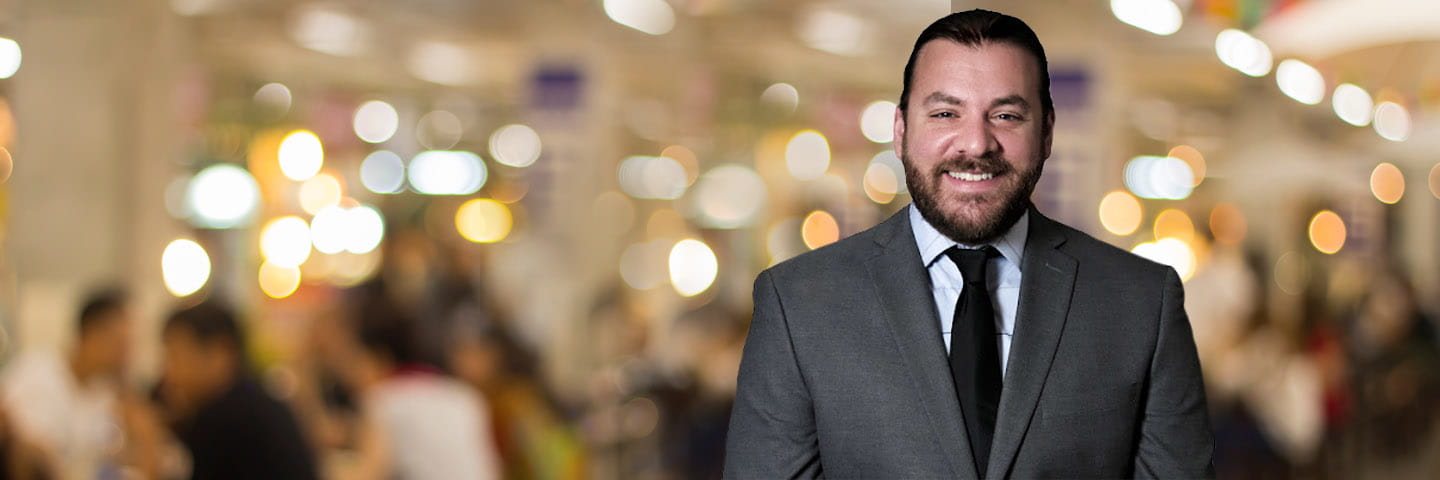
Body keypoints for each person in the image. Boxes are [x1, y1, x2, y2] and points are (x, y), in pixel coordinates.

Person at [725, 9, 1214, 479]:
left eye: (1005, 115)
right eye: (944, 113)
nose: (976, 143)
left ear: (1046, 133)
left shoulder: (1143, 303)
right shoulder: (798, 305)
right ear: (900, 131)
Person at [0, 289, 162, 479]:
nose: (127, 357)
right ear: (93, 334)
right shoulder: (37, 371)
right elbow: (19, 450)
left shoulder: (108, 398)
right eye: (121, 344)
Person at [159, 301, 317, 480]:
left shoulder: (226, 418)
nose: (168, 372)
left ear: (219, 355)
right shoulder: (253, 401)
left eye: (176, 356)